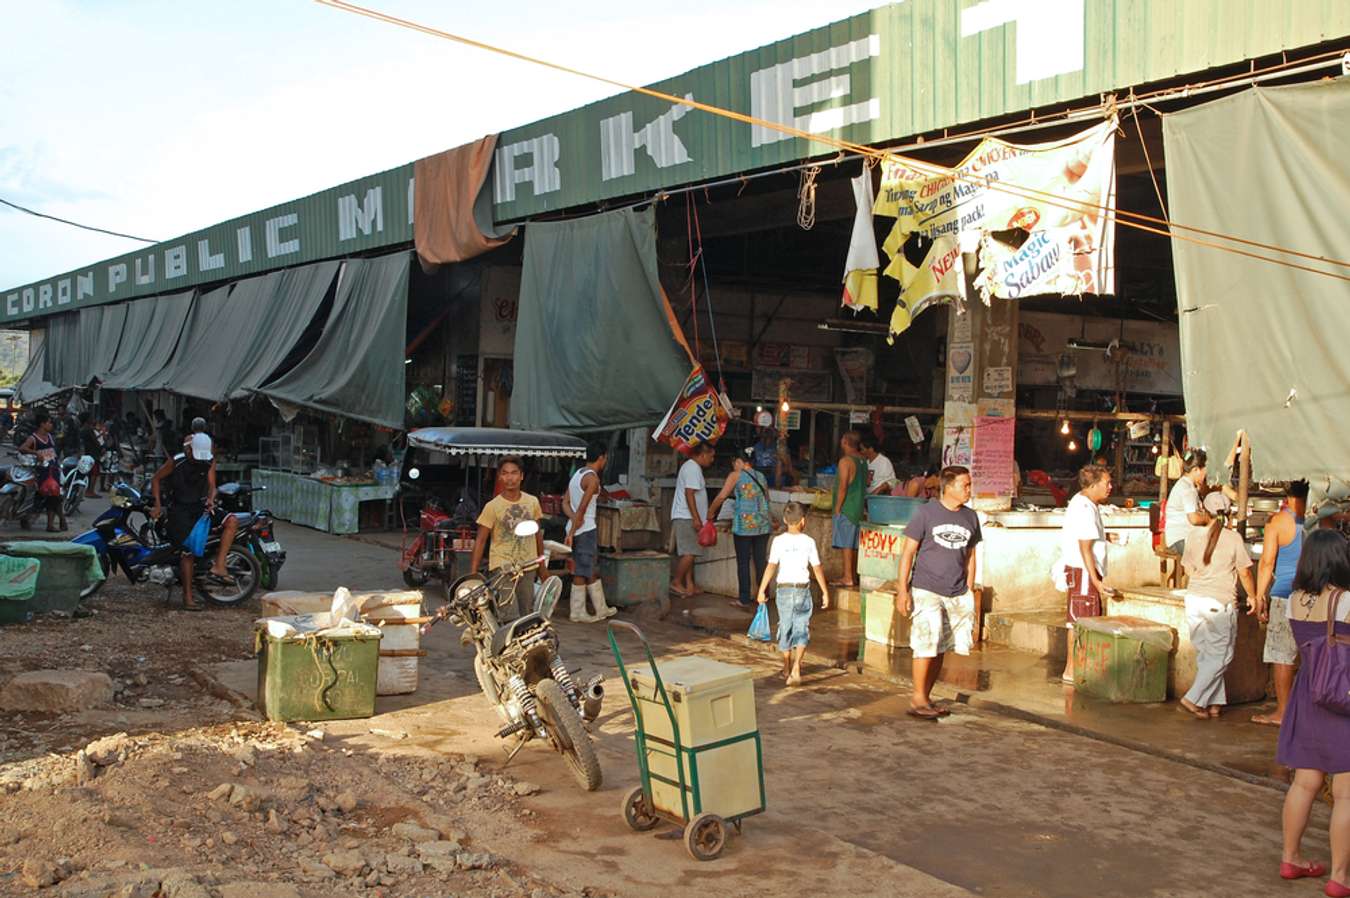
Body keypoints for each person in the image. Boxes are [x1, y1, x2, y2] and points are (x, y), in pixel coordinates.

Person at [1273, 529, 1350, 893]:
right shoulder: (1346, 600)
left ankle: (1291, 857)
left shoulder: (1294, 600)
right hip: (1343, 695)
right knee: (1347, 792)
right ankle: (1339, 877)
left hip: (1309, 693)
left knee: (1304, 782)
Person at [895, 465, 981, 719]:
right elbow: (908, 552)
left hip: (956, 590)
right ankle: (917, 698)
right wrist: (903, 591)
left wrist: (970, 587)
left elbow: (971, 555)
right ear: (949, 486)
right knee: (925, 643)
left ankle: (926, 696)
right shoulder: (926, 513)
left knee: (941, 645)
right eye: (964, 485)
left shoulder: (971, 517)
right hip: (926, 588)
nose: (968, 490)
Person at [1177, 492, 1257, 719]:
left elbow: (1188, 569)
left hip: (1194, 600)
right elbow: (1244, 572)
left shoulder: (1193, 536)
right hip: (1219, 603)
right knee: (1221, 656)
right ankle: (1192, 698)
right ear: (1228, 512)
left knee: (1207, 655)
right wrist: (1252, 596)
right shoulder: (1233, 538)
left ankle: (1213, 703)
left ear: (1205, 511)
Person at [149, 434, 239, 611]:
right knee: (187, 553)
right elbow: (156, 479)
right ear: (189, 450)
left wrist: (211, 499)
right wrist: (157, 505)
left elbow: (212, 485)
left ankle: (220, 565)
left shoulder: (208, 461)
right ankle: (187, 597)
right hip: (179, 510)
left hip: (200, 506)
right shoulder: (176, 461)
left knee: (232, 521)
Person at [1251, 479, 1310, 727]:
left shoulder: (1277, 522)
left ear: (1287, 495)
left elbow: (1266, 562)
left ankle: (1283, 712)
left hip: (1284, 595)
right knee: (1313, 655)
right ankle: (1311, 711)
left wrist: (1258, 596)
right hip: (1314, 597)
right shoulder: (1319, 520)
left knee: (1282, 655)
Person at [757, 501, 829, 686]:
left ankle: (787, 666)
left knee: (786, 627)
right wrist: (825, 592)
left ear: (784, 520)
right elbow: (817, 569)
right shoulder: (809, 542)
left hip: (784, 590)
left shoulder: (778, 541)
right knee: (802, 628)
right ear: (803, 521)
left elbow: (771, 566)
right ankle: (797, 666)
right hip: (802, 589)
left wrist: (761, 589)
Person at [1057, 465, 1117, 684]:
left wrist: (1106, 537)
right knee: (1080, 621)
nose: (1110, 487)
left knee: (1082, 620)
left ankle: (1077, 668)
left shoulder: (1086, 503)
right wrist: (1096, 581)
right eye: (1106, 483)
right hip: (1083, 572)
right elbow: (1084, 547)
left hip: (1083, 570)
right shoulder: (1084, 507)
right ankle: (1073, 670)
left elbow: (1088, 537)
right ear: (1092, 485)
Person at [470, 457, 544, 622]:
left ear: (521, 476)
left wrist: (542, 568)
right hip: (502, 567)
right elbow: (481, 540)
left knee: (527, 613)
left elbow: (538, 535)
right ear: (500, 477)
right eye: (505, 473)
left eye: (514, 473)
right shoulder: (492, 506)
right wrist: (473, 574)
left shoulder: (532, 502)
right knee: (509, 613)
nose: (510, 478)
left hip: (528, 565)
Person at [708, 446, 773, 609]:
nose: (733, 466)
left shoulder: (735, 475)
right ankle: (763, 595)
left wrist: (710, 512)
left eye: (734, 463)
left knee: (743, 562)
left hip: (744, 526)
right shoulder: (761, 476)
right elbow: (767, 499)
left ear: (739, 462)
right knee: (760, 561)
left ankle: (744, 599)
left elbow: (722, 496)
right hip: (762, 525)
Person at [563, 442, 618, 623]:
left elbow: (565, 503)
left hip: (578, 526)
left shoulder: (576, 475)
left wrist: (572, 523)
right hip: (585, 529)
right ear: (601, 457)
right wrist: (573, 529)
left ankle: (590, 610)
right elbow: (582, 508)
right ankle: (588, 610)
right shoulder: (593, 480)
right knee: (588, 568)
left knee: (581, 568)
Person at [670, 442, 715, 598]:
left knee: (691, 552)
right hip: (686, 517)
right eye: (711, 456)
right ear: (702, 455)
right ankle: (676, 581)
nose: (712, 459)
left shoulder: (693, 468)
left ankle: (689, 584)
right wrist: (696, 518)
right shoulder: (692, 468)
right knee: (690, 552)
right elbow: (689, 494)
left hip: (688, 516)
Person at [18, 409, 66, 532]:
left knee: (56, 495)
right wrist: (35, 452)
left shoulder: (50, 436)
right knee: (51, 497)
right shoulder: (33, 438)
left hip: (54, 470)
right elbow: (22, 448)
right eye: (49, 422)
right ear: (42, 424)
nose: (51, 425)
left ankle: (57, 521)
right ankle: (56, 522)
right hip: (42, 472)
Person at [831, 431, 865, 588]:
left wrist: (838, 508)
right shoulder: (863, 461)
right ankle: (853, 576)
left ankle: (847, 577)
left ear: (845, 441)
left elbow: (843, 486)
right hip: (858, 508)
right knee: (853, 545)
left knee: (846, 545)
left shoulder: (845, 461)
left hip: (847, 507)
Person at [1163, 448, 1211, 555]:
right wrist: (1209, 519)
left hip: (1179, 538)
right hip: (1181, 539)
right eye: (1204, 472)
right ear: (1196, 470)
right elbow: (1194, 519)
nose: (1205, 476)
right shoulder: (1187, 488)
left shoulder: (1186, 484)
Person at [78, 412, 102, 498]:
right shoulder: (88, 429)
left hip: (87, 452)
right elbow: (95, 441)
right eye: (90, 417)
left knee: (90, 472)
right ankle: (90, 491)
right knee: (94, 473)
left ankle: (89, 490)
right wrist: (100, 447)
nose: (92, 419)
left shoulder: (82, 429)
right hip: (92, 453)